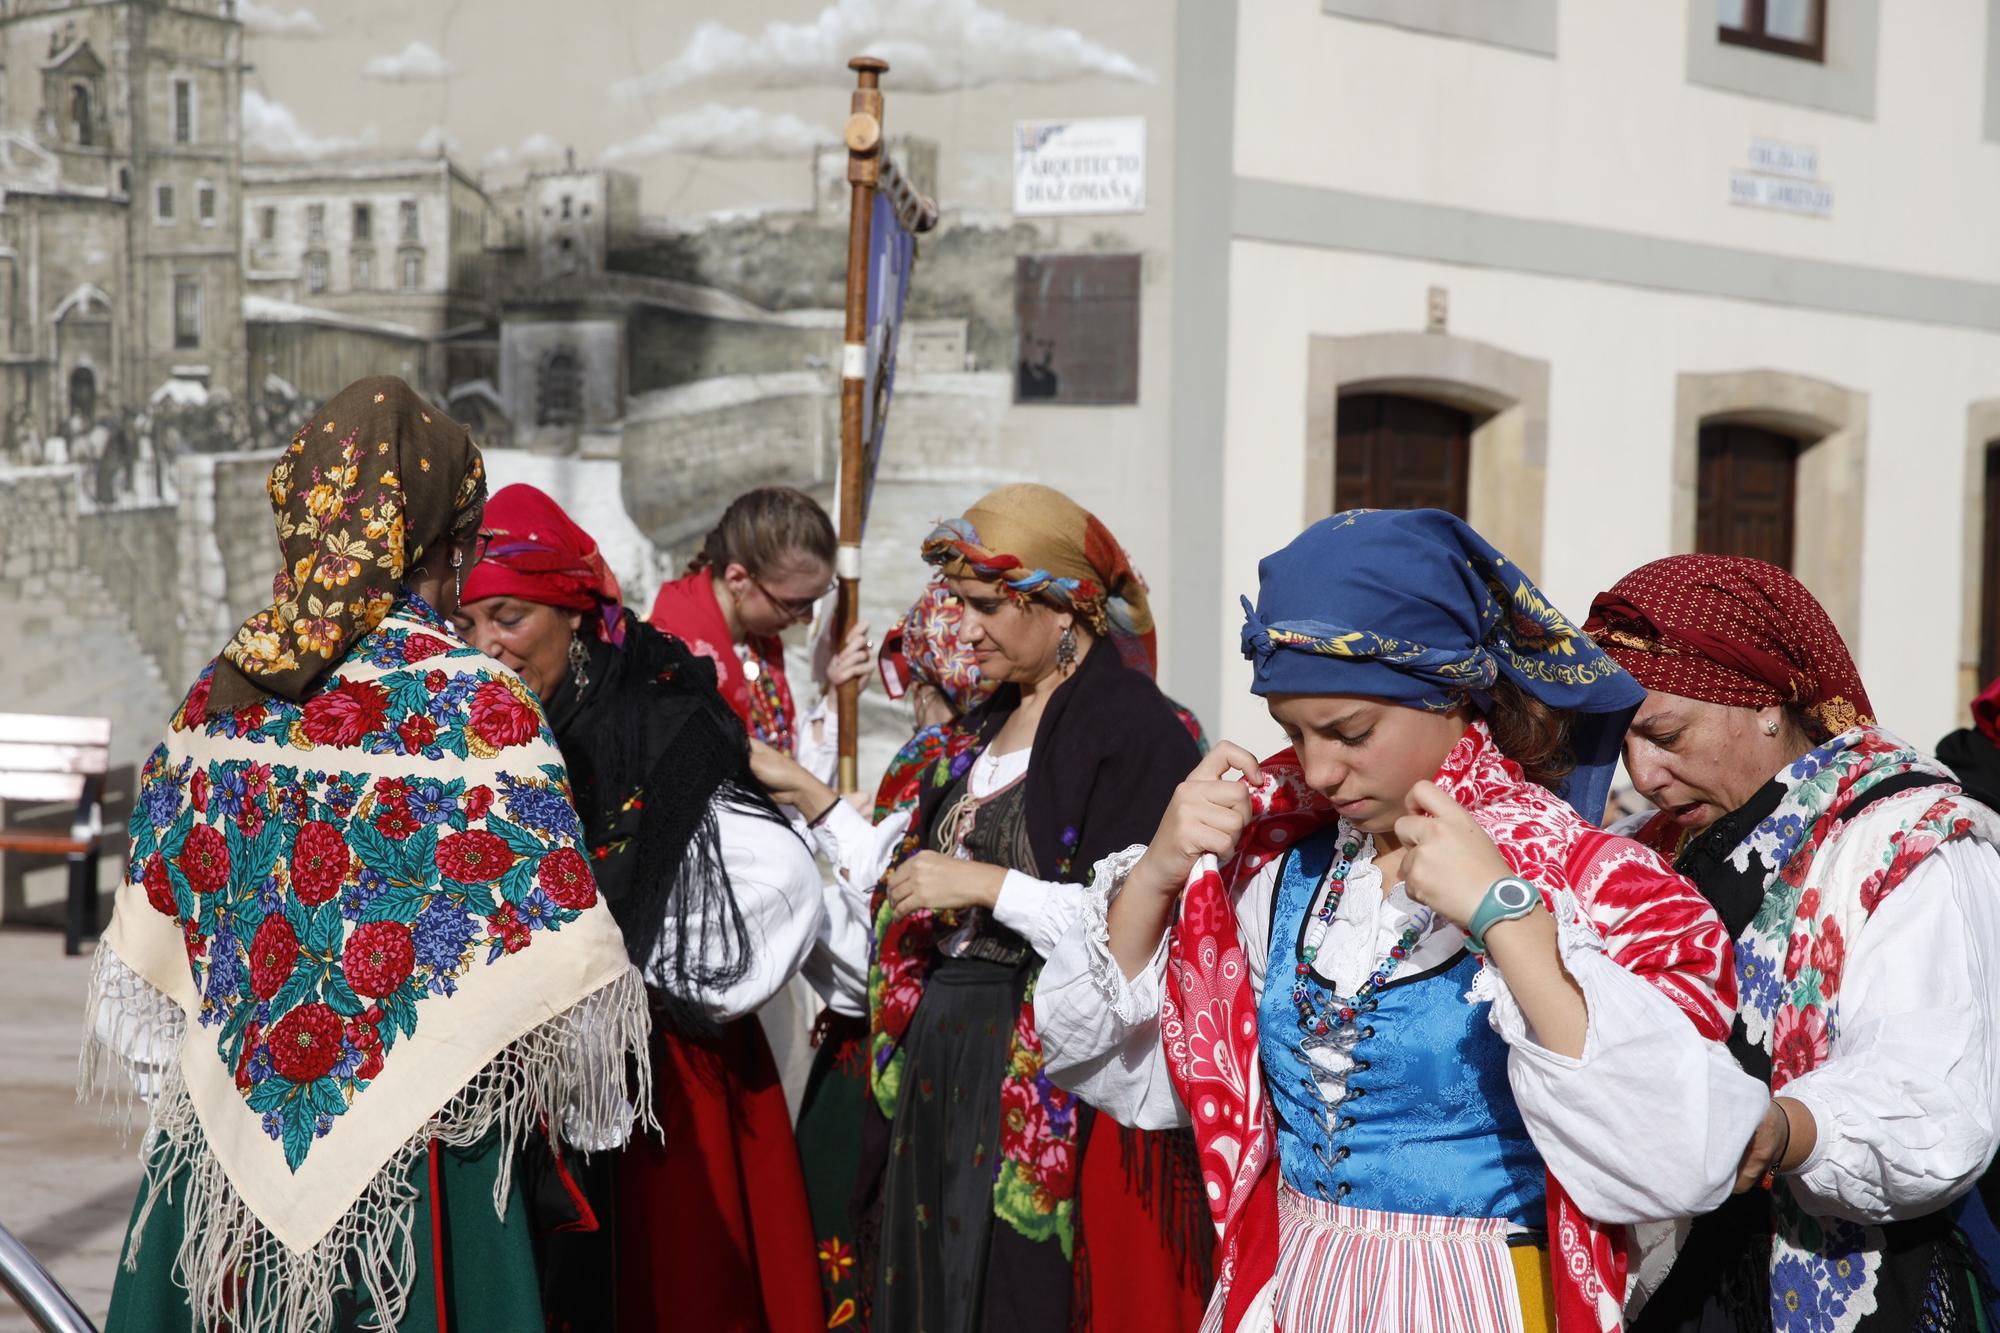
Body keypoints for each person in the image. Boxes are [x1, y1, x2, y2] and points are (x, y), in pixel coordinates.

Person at [1035, 509, 1766, 1332]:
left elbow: (1680, 1154)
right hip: (1299, 1293)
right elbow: (1102, 1056)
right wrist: (1160, 873)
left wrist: (1503, 916)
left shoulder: (1588, 882)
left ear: (1454, 692)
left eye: (1350, 732)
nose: (1317, 768)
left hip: (1475, 1299)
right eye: (1293, 733)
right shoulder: (1283, 866)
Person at [80, 378, 651, 1332]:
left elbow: (159, 971)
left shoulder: (217, 704)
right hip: (428, 1171)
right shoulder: (482, 709)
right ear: (445, 541)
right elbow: (568, 989)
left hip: (223, 1159)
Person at [828, 484, 1214, 1331]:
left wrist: (985, 885)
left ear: (1063, 606)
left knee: (1011, 1291)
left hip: (1047, 1064)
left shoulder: (1137, 731)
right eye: (958, 605)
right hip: (947, 1056)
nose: (964, 629)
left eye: (984, 606)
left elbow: (1147, 926)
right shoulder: (982, 728)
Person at [452, 483, 834, 1331]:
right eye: (467, 626)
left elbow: (783, 883)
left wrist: (623, 973)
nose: (485, 649)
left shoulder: (660, 712)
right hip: (517, 1095)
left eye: (509, 618)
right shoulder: (471, 731)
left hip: (665, 1095)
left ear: (573, 615)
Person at [1583, 555, 2000, 1332]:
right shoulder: (1647, 851)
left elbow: (1935, 1105)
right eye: (1622, 741)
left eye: (1666, 734)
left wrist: (1777, 1129)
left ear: (1768, 700)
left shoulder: (1911, 843)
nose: (1643, 772)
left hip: (1859, 1283)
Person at [646, 485, 871, 779]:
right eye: (794, 604)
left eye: (812, 604)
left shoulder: (755, 640)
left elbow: (780, 755)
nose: (804, 619)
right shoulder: (674, 656)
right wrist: (822, 815)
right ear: (738, 579)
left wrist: (835, 700)